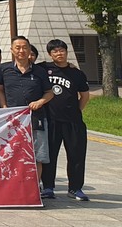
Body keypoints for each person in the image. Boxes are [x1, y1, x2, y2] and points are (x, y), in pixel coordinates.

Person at [0, 35, 54, 193]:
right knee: (12, 154)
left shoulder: (40, 71)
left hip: (36, 118)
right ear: (12, 50)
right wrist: (3, 106)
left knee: (37, 155)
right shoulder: (4, 69)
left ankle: (33, 189)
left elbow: (49, 93)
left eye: (24, 47)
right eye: (17, 47)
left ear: (29, 50)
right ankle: (12, 188)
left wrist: (40, 102)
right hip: (12, 119)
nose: (21, 50)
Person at [39, 39, 90, 201]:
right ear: (49, 54)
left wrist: (76, 111)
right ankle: (47, 187)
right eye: (55, 51)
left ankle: (75, 188)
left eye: (62, 50)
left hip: (73, 122)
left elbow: (85, 96)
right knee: (49, 155)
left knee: (76, 155)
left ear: (67, 52)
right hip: (51, 121)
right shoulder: (43, 69)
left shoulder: (77, 73)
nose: (59, 53)